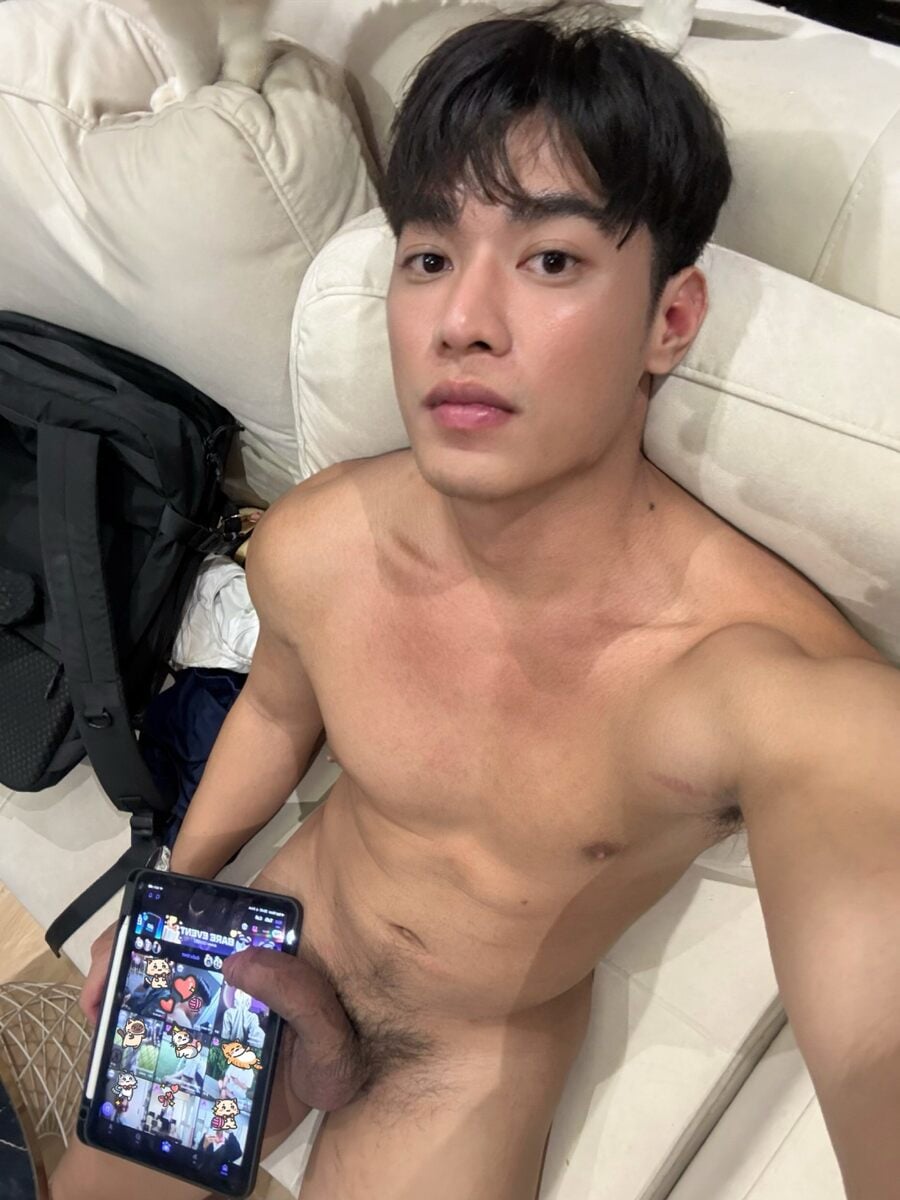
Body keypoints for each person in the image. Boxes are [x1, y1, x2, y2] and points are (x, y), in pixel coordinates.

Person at [50, 2, 898, 1199]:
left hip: (470, 1051)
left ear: (669, 321)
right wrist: (171, 891)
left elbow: (875, 1013)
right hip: (279, 943)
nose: (461, 323)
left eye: (551, 260)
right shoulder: (318, 541)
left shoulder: (760, 680)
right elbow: (278, 712)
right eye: (430, 258)